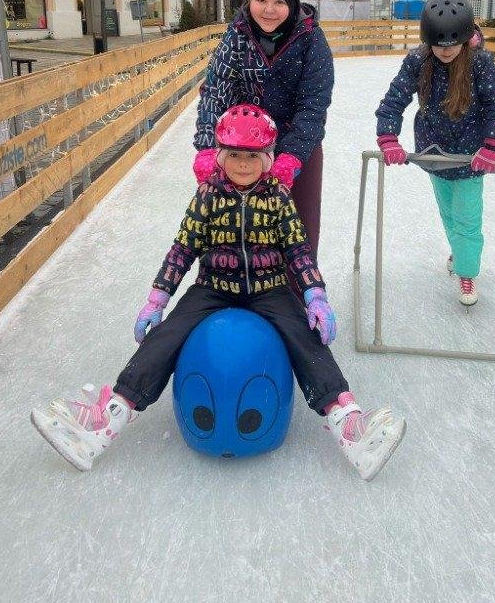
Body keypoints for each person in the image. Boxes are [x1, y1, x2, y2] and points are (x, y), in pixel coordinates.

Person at [31, 105, 406, 482]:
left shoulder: (277, 196)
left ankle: (348, 422)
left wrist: (315, 296)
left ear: (267, 159)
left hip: (269, 288)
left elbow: (297, 250)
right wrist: (157, 300)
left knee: (305, 338)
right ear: (222, 156)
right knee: (167, 337)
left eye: (252, 156)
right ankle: (106, 420)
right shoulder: (208, 196)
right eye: (235, 155)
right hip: (213, 288)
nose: (243, 164)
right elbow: (182, 249)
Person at [374, 0, 495, 307]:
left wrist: (492, 145)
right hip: (434, 150)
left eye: (452, 44)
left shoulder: (480, 63)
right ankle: (460, 252)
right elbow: (395, 98)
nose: (446, 50)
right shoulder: (418, 60)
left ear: (464, 38)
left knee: (467, 219)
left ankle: (466, 271)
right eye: (439, 44)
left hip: (470, 155)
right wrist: (388, 136)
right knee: (449, 213)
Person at [192, 0, 333, 260]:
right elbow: (215, 91)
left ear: (293, 2)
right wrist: (206, 148)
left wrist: (292, 156)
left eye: (279, 1)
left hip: (299, 147)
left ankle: (299, 287)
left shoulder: (311, 40)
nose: (269, 9)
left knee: (298, 230)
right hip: (244, 148)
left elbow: (314, 103)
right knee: (239, 229)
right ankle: (241, 283)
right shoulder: (236, 36)